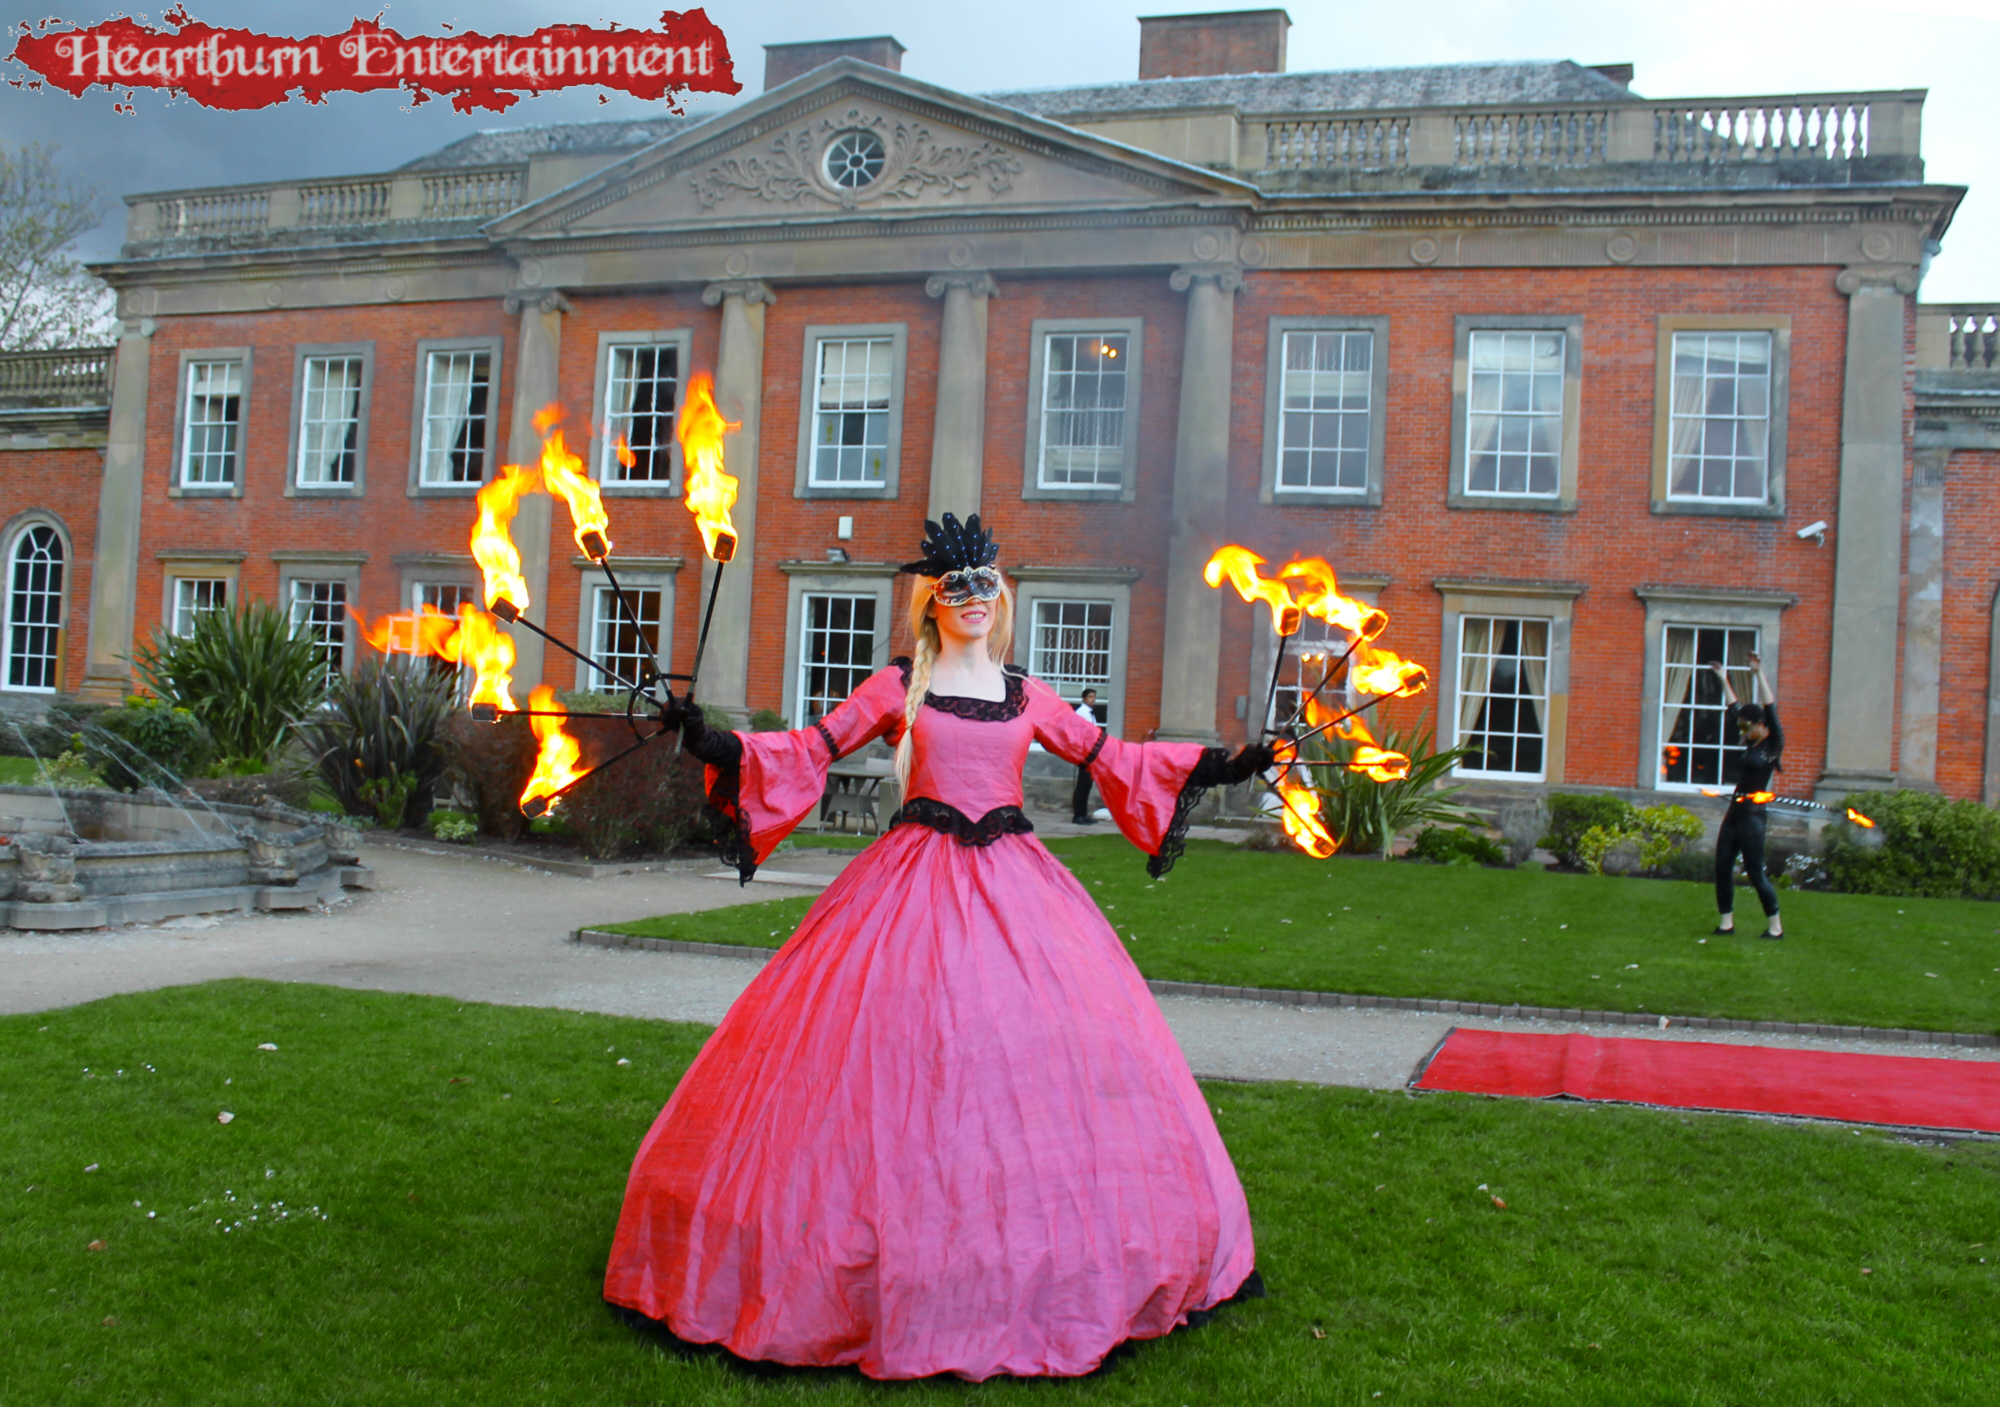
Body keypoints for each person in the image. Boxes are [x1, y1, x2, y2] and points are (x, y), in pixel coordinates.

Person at [603, 514, 1270, 1380]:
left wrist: (1224, 765)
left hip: (1021, 893)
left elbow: (1115, 758)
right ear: (932, 603)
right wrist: (710, 739)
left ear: (1001, 597)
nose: (972, 598)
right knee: (896, 1059)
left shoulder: (1027, 693)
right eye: (955, 587)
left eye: (984, 583)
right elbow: (811, 747)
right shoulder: (899, 685)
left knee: (1022, 1054)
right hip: (907, 886)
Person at [1709, 652, 1784, 939]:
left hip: (1753, 817)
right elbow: (1734, 710)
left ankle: (1775, 927)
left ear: (1760, 724)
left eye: (1746, 726)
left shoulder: (1772, 745)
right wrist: (1722, 677)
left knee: (1754, 872)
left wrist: (1758, 673)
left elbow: (1770, 707)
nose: (1742, 730)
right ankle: (1726, 923)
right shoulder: (1751, 745)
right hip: (1734, 813)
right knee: (1722, 867)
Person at [1071, 687, 1100, 822]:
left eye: (1094, 697)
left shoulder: (1090, 713)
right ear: (1084, 698)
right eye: (1090, 697)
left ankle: (1083, 813)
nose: (1093, 700)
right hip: (1084, 752)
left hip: (1090, 751)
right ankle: (1079, 814)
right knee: (1083, 783)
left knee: (1087, 783)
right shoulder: (1081, 713)